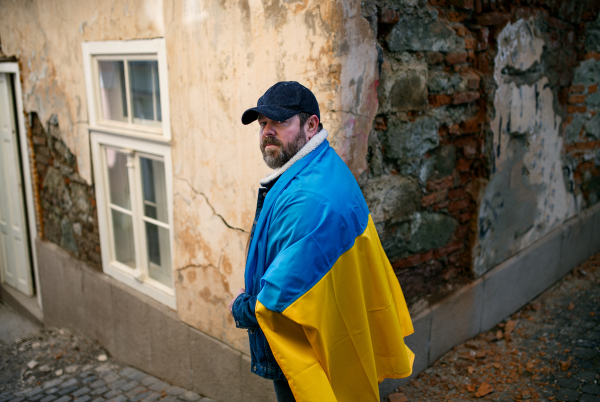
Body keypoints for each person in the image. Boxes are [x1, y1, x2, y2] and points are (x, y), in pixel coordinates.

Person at [229, 81, 414, 402]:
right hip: (324, 331)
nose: (267, 132)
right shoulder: (317, 166)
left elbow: (280, 299)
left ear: (311, 125)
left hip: (301, 344)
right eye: (263, 124)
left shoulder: (310, 198)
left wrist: (241, 309)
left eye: (280, 122)